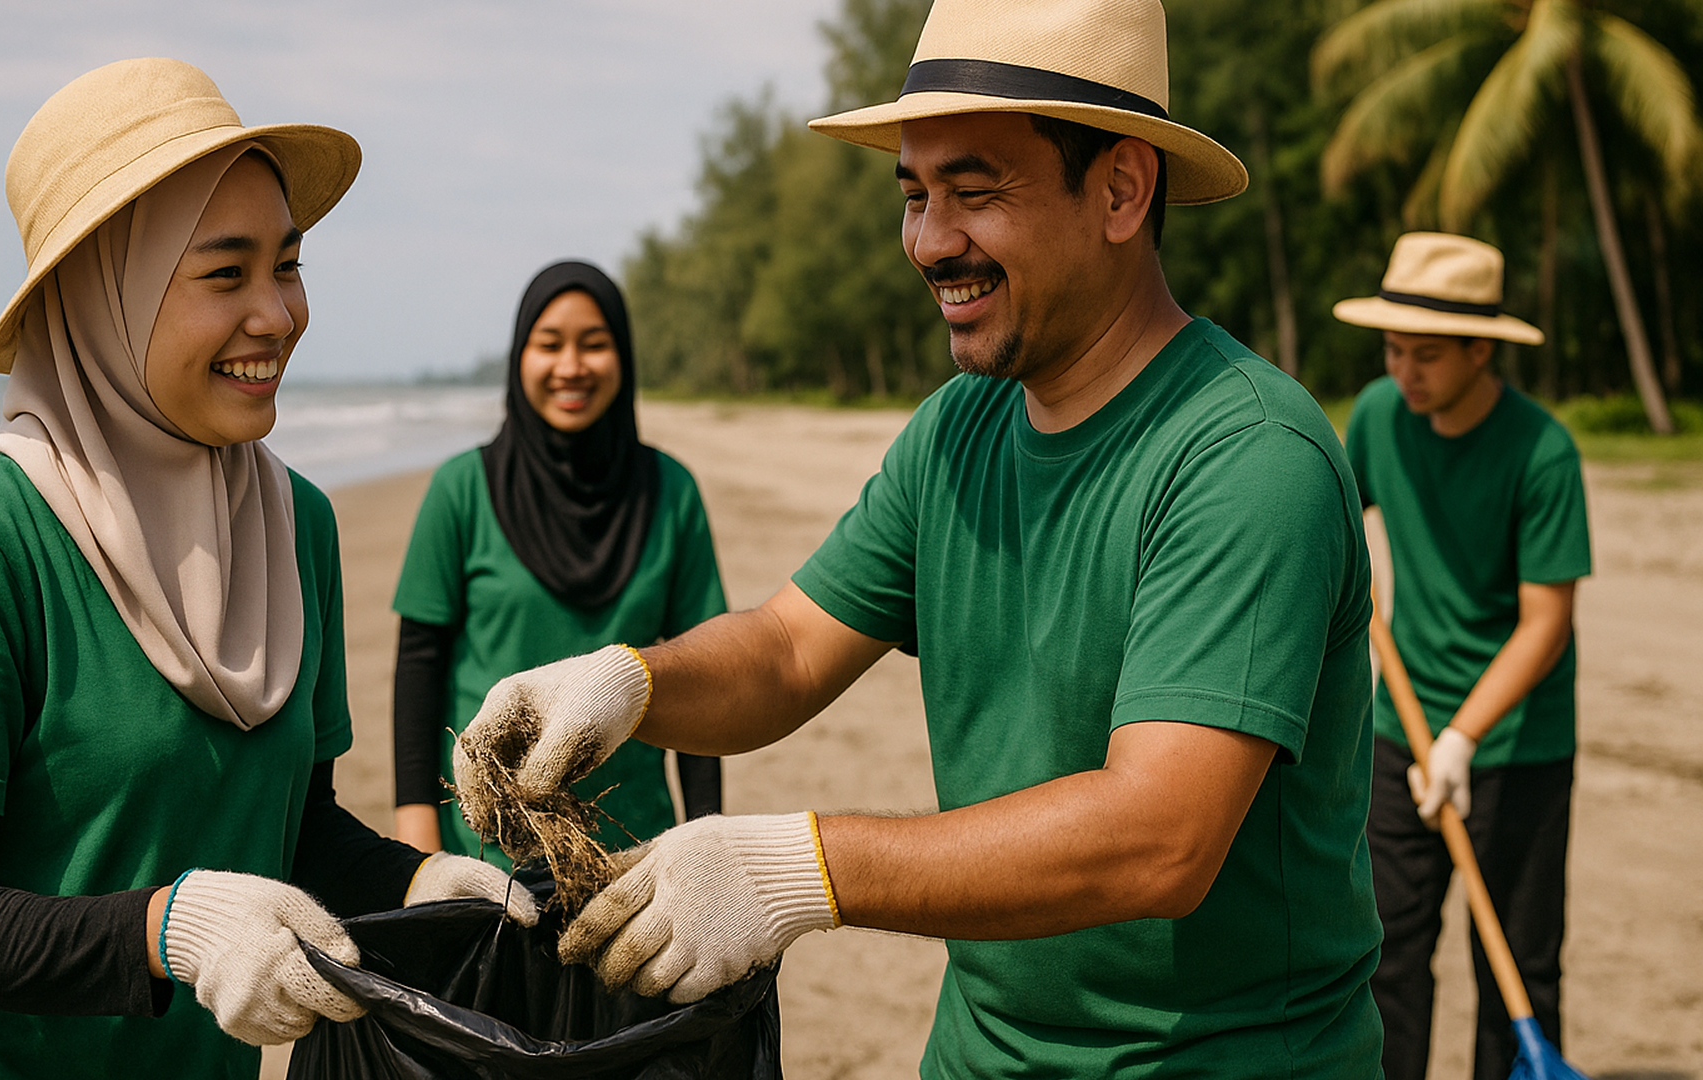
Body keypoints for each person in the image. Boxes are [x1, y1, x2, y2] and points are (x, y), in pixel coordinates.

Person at [451, 1, 1386, 1076]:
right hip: (979, 1052)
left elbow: (1159, 836)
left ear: (1122, 189)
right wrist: (628, 682)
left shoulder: (1246, 456)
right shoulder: (960, 429)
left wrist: (799, 869)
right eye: (914, 194)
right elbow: (789, 650)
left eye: (974, 191)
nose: (930, 242)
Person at [0, 58, 531, 1080]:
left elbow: (289, 833)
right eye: (226, 273)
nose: (278, 314)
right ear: (102, 297)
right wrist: (163, 930)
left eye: (289, 264)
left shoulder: (296, 524)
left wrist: (422, 881)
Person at [1334, 232, 1591, 1080]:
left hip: (1519, 746)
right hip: (1402, 733)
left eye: (1428, 355)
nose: (1404, 371)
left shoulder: (1542, 451)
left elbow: (1545, 623)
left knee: (1517, 965)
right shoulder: (1378, 416)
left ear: (1483, 350)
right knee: (1388, 956)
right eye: (1393, 349)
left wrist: (1465, 738)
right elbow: (1327, 513)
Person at [390, 260, 727, 860]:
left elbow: (703, 675)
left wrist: (704, 839)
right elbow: (419, 666)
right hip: (483, 858)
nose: (571, 367)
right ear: (520, 357)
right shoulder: (461, 490)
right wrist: (416, 835)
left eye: (593, 345)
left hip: (634, 848)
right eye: (549, 345)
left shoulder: (671, 492)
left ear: (622, 358)